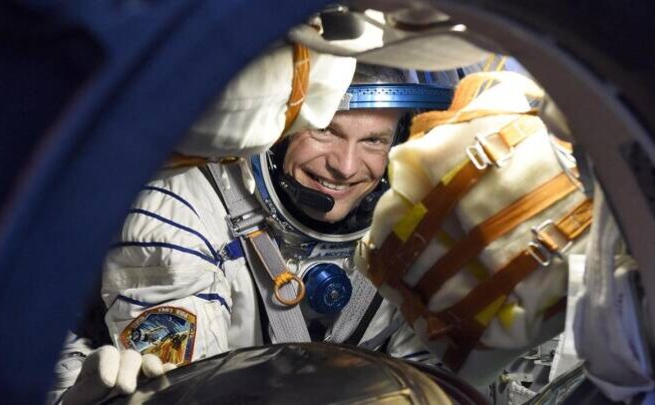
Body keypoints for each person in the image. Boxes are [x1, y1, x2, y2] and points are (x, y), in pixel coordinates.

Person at [49, 64, 455, 404]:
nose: (346, 167)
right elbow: (188, 390)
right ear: (279, 130)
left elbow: (438, 386)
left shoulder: (416, 229)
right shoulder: (183, 205)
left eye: (374, 140)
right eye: (325, 130)